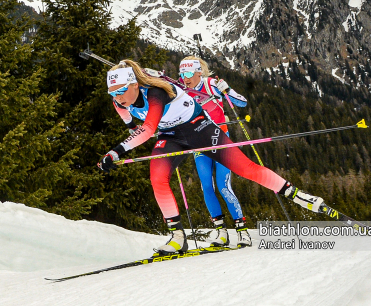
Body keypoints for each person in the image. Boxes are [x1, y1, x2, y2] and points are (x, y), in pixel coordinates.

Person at [99, 59, 324, 255]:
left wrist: (116, 151)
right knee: (157, 176)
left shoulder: (156, 92)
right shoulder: (120, 102)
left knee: (244, 168)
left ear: (135, 85)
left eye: (121, 91)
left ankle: (295, 194)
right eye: (113, 93)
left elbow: (148, 129)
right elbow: (132, 122)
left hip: (199, 127)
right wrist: (129, 128)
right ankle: (177, 237)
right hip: (170, 135)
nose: (118, 98)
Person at [178, 56, 251, 248]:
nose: (184, 78)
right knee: (206, 187)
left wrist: (226, 89)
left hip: (220, 142)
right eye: (181, 74)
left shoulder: (211, 85)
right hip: (199, 146)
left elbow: (242, 103)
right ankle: (221, 232)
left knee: (224, 187)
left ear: (198, 72)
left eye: (187, 74)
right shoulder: (181, 90)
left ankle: (242, 232)